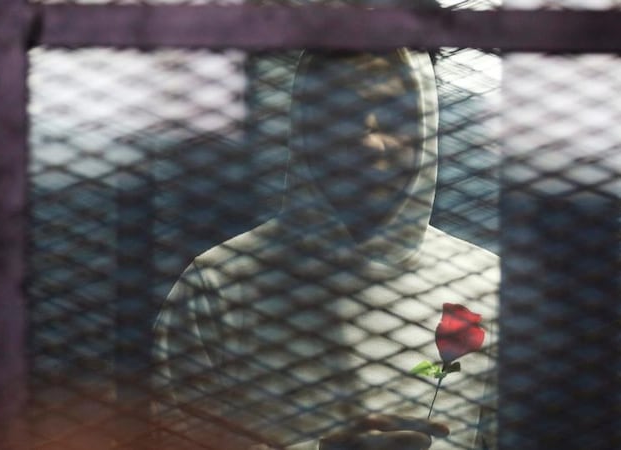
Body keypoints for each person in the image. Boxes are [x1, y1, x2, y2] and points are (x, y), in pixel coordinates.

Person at [153, 48, 499, 450]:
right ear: (306, 130)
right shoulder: (216, 286)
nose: (369, 143)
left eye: (392, 116)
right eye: (342, 116)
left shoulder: (487, 285)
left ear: (426, 124)